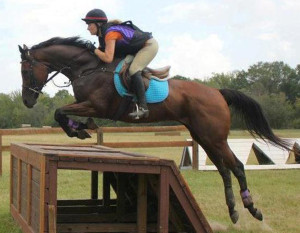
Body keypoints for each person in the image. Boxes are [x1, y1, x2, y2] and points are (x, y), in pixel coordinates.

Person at [82, 9, 159, 119]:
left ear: (98, 24)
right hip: (134, 50)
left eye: (89, 24)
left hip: (148, 46)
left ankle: (143, 108)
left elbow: (108, 58)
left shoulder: (109, 34)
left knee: (134, 70)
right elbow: (102, 54)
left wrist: (93, 50)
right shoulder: (102, 35)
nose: (88, 27)